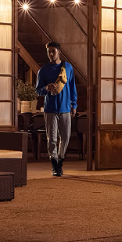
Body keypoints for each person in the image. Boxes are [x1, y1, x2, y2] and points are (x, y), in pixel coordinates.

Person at [35, 41, 78, 176]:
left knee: (65, 137)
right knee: (52, 139)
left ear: (59, 51)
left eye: (53, 51)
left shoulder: (68, 68)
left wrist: (74, 104)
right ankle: (55, 165)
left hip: (65, 108)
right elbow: (38, 91)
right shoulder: (43, 70)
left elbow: (72, 87)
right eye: (49, 52)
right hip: (50, 109)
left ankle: (60, 159)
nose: (51, 54)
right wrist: (46, 88)